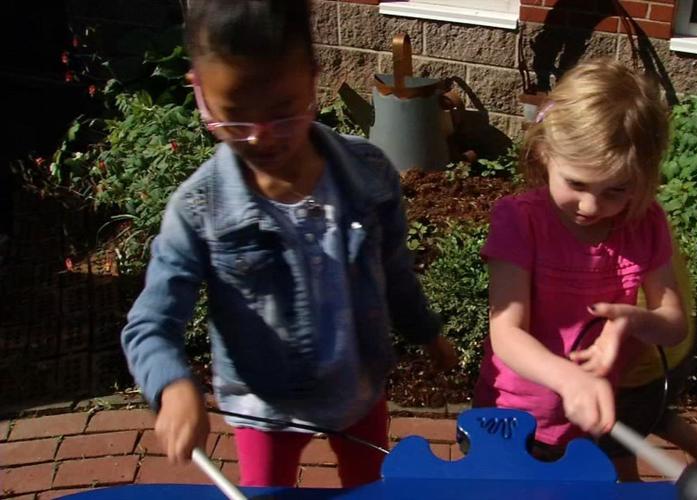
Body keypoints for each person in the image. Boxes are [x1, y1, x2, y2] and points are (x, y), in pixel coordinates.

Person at [120, 0, 456, 488]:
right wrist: (171, 385)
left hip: (358, 387)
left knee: (368, 489)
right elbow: (149, 323)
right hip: (265, 407)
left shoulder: (368, 174)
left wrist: (425, 331)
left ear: (313, 78)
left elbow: (394, 269)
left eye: (282, 112)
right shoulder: (199, 209)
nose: (262, 139)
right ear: (201, 92)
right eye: (235, 118)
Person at [474, 58, 697, 478]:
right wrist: (568, 379)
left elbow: (673, 325)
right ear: (546, 151)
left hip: (590, 423)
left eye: (615, 190)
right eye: (577, 184)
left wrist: (633, 321)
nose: (590, 206)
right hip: (515, 417)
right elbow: (507, 332)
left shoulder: (645, 223)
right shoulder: (520, 221)